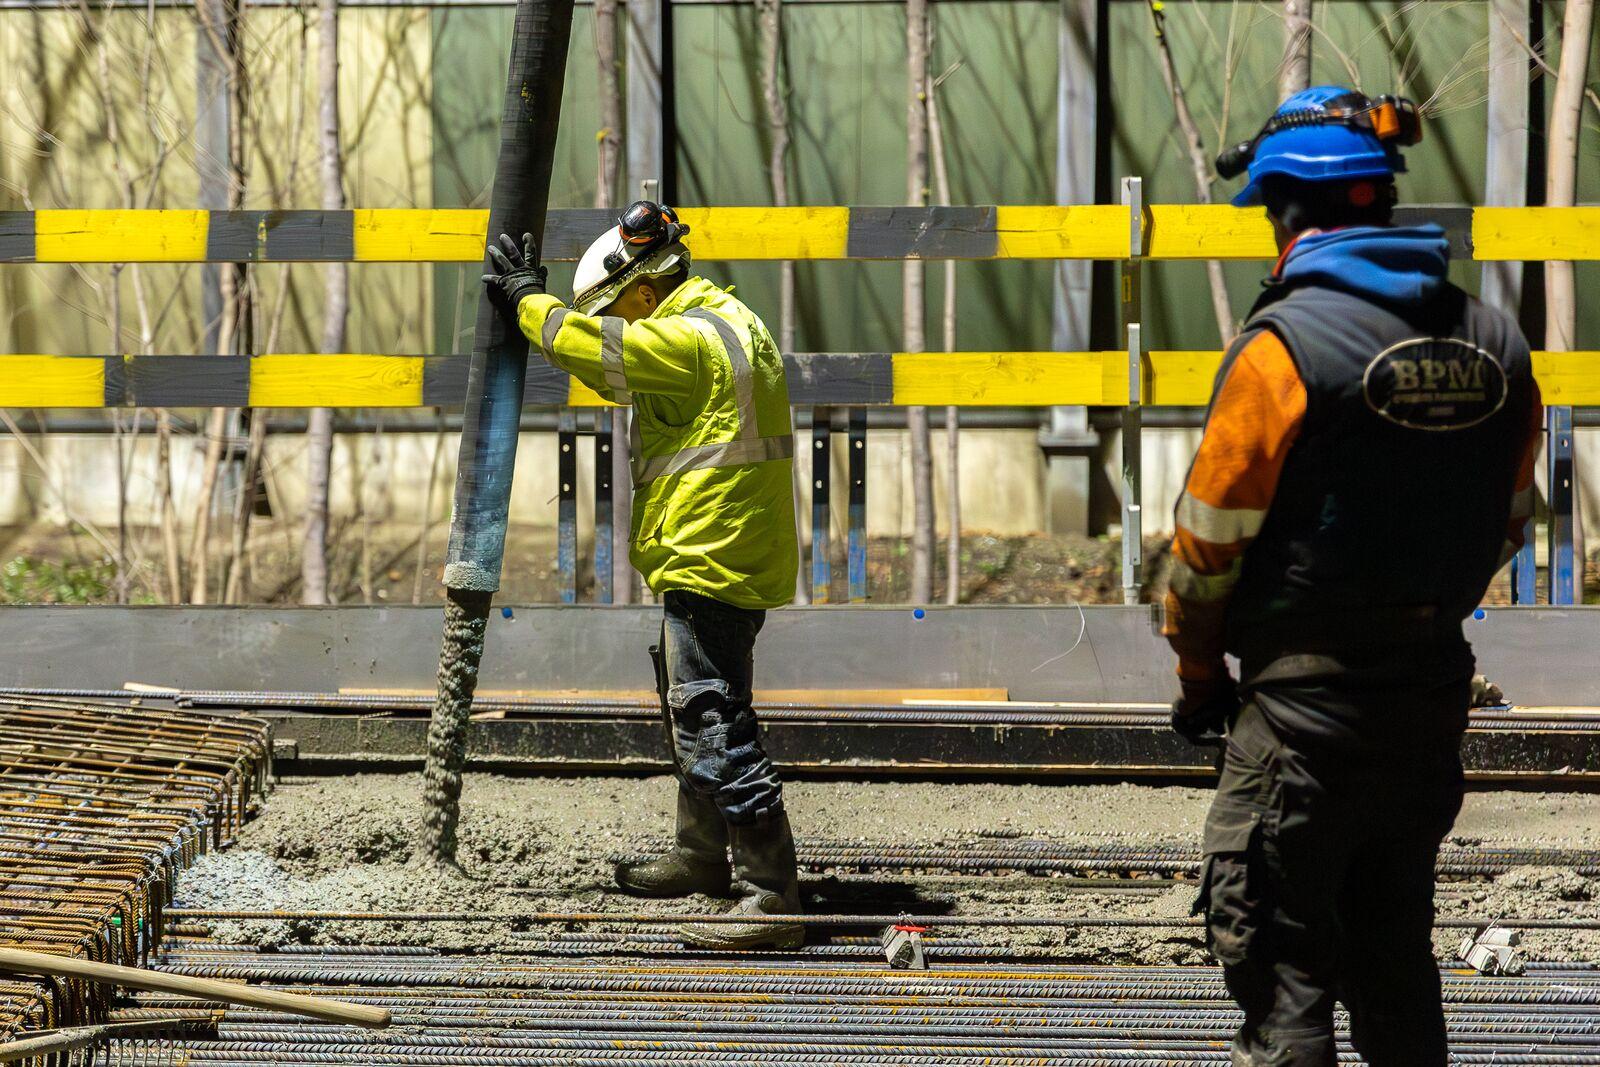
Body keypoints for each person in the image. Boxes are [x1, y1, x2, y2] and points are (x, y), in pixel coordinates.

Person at [1165, 86, 1542, 1064]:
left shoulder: (1281, 351)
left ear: (1284, 208)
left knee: (1283, 963)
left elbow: (1205, 550)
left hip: (1300, 715)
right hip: (1424, 698)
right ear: (1381, 198)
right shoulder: (1492, 340)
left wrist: (1200, 677)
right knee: (1392, 955)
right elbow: (1510, 516)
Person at [481, 201, 802, 950]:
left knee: (711, 719)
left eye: (620, 306)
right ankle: (700, 857)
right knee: (694, 706)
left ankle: (772, 892)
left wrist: (530, 299)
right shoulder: (728, 322)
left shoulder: (686, 339)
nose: (621, 322)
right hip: (721, 555)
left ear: (646, 293)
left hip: (711, 558)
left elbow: (592, 349)